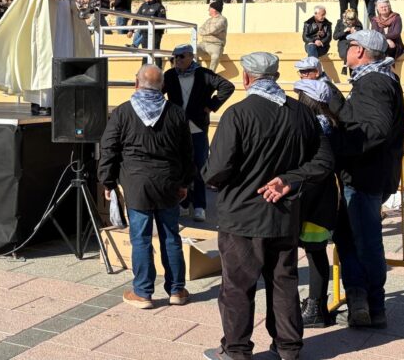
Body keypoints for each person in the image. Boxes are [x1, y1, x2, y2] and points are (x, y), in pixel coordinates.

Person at [202, 52, 334, 360]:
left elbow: (217, 170)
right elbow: (324, 161)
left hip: (242, 216)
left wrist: (209, 177)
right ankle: (288, 347)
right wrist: (290, 179)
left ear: (246, 77)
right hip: (283, 213)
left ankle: (236, 350)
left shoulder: (238, 114)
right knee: (283, 281)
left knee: (237, 285)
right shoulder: (301, 113)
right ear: (275, 75)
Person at [99, 64, 194, 309]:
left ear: (136, 83)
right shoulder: (175, 112)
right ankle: (177, 290)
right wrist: (185, 182)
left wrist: (107, 181)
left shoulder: (123, 112)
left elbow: (109, 148)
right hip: (168, 182)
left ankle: (143, 292)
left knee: (140, 238)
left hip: (136, 182)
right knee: (171, 236)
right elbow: (187, 152)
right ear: (162, 86)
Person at [329, 30, 404, 329]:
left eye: (350, 45)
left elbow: (373, 130)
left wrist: (339, 144)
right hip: (363, 175)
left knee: (366, 243)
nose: (346, 48)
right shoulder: (376, 78)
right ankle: (359, 301)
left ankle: (373, 305)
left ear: (360, 51)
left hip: (364, 176)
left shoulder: (374, 82)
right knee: (348, 238)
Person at [162, 44, 234, 223]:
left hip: (197, 127)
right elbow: (157, 92)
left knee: (199, 166)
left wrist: (211, 106)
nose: (176, 60)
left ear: (190, 56)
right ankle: (184, 204)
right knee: (179, 165)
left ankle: (200, 206)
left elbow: (227, 86)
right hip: (177, 127)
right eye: (174, 57)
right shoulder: (170, 75)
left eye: (180, 56)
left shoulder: (204, 74)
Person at [292, 79, 340, 329]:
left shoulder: (314, 126)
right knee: (316, 252)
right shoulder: (329, 120)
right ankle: (318, 305)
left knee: (314, 252)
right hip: (324, 197)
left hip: (314, 199)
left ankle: (315, 309)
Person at [127, 0, 166, 67]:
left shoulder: (159, 7)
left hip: (156, 33)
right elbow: (136, 18)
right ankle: (143, 71)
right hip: (144, 33)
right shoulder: (143, 5)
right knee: (145, 52)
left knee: (156, 50)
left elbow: (162, 21)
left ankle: (159, 70)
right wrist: (131, 30)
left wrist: (152, 28)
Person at [197, 1, 228, 72]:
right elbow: (200, 30)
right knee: (190, 51)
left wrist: (205, 31)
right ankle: (196, 71)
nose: (208, 10)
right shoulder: (208, 20)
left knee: (215, 57)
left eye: (209, 8)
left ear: (214, 9)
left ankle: (210, 75)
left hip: (216, 45)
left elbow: (213, 30)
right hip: (203, 44)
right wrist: (207, 32)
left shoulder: (222, 19)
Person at [333, 8, 363, 75]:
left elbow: (361, 37)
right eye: (349, 20)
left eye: (352, 20)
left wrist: (356, 33)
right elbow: (335, 37)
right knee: (345, 54)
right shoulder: (340, 22)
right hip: (343, 43)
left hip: (354, 44)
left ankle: (347, 68)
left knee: (353, 54)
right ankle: (350, 72)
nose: (350, 22)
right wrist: (344, 31)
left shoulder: (358, 24)